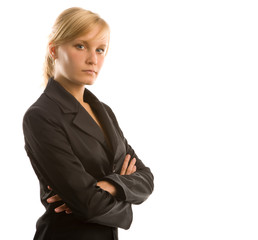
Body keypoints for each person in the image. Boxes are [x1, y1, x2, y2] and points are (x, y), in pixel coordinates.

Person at [22, 7, 154, 240]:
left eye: (100, 49)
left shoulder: (104, 112)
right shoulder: (41, 116)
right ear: (54, 49)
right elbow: (88, 204)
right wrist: (123, 191)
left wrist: (109, 185)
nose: (93, 59)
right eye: (80, 46)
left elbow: (146, 179)